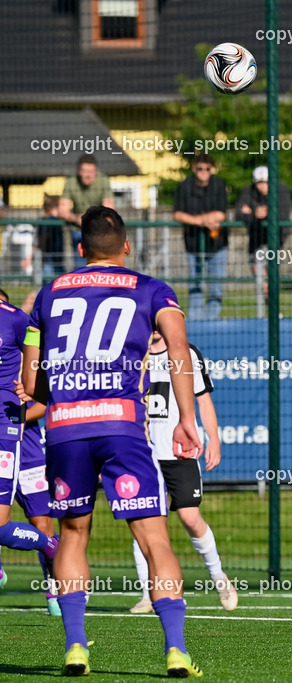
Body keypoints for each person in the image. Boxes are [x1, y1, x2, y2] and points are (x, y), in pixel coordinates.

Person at [20, 206, 205, 677]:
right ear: (126, 246)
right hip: (122, 425)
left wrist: (50, 391)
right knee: (153, 537)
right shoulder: (152, 289)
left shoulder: (48, 293)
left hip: (65, 429)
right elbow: (178, 349)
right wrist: (188, 418)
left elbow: (32, 379)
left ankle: (76, 647)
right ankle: (177, 650)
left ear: (80, 249)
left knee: (74, 533)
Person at [129, 330, 237, 615]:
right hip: (141, 454)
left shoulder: (186, 353)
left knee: (190, 517)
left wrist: (214, 439)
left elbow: (202, 400)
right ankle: (147, 594)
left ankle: (218, 576)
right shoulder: (131, 353)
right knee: (145, 519)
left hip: (180, 451)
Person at [0, 291, 60, 608]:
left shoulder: (21, 330)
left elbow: (43, 399)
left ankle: (54, 579)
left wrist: (22, 413)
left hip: (24, 444)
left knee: (41, 520)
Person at [173, 153, 229, 320]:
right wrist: (200, 221)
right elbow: (177, 214)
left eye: (207, 169)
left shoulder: (219, 185)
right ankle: (195, 321)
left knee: (216, 285)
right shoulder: (184, 186)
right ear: (194, 168)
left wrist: (196, 220)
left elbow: (221, 214)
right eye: (200, 169)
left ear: (212, 169)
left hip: (217, 244)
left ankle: (212, 319)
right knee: (195, 283)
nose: (203, 172)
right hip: (193, 244)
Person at [236, 165, 292, 299]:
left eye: (266, 182)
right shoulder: (248, 191)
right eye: (260, 182)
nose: (263, 186)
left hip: (275, 238)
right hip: (256, 238)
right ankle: (270, 301)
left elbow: (282, 214)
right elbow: (238, 214)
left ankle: (271, 303)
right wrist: (255, 214)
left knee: (269, 273)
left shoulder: (282, 191)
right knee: (258, 271)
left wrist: (255, 212)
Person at [57, 154, 114, 269]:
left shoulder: (103, 181)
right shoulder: (71, 182)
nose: (87, 175)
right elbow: (62, 211)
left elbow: (109, 208)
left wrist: (91, 219)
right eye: (84, 171)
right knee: (81, 266)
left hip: (99, 229)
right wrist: (76, 218)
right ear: (79, 171)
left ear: (96, 171)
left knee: (101, 265)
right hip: (78, 229)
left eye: (91, 172)